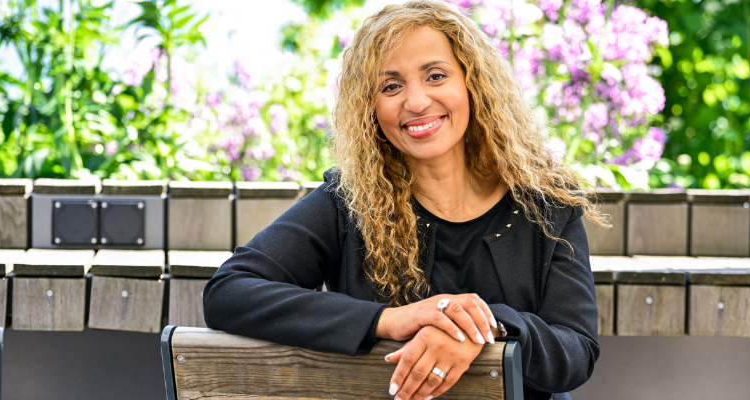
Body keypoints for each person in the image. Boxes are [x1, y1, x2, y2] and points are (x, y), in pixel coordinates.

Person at [204, 1, 605, 399]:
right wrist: (389, 319)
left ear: (473, 82)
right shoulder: (347, 203)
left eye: (435, 75)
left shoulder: (547, 204)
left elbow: (576, 351)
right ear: (370, 109)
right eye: (391, 86)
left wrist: (482, 327)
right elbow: (229, 292)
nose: (415, 101)